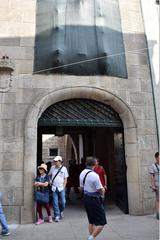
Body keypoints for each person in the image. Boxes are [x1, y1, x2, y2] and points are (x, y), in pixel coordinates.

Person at [80, 156, 107, 240]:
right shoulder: (95, 175)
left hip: (86, 197)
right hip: (94, 199)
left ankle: (92, 238)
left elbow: (81, 187)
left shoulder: (82, 173)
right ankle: (91, 238)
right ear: (95, 164)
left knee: (91, 221)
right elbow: (100, 189)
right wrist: (103, 190)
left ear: (86, 164)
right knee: (101, 222)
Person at [49, 156, 68, 222]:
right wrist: (50, 181)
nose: (55, 162)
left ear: (60, 161)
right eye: (55, 161)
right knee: (55, 202)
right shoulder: (52, 168)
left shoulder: (64, 169)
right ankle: (57, 215)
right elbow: (49, 175)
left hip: (61, 188)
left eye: (56, 161)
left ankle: (61, 210)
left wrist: (64, 186)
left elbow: (65, 178)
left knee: (63, 202)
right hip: (54, 187)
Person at [149, 152, 159, 220]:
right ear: (156, 158)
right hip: (158, 185)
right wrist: (153, 186)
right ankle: (158, 213)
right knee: (158, 200)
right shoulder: (153, 166)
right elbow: (152, 177)